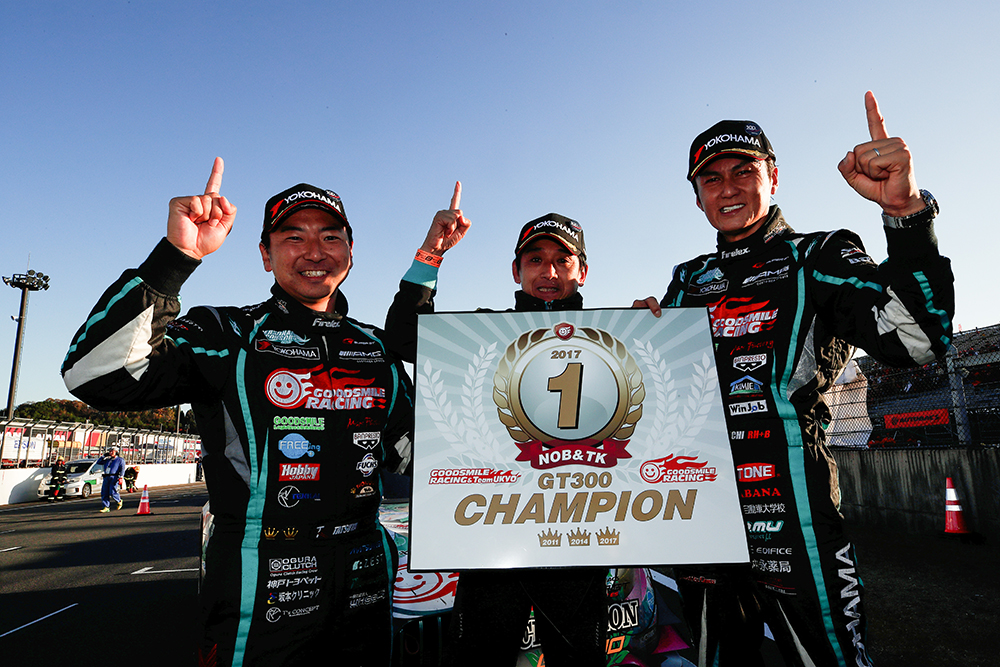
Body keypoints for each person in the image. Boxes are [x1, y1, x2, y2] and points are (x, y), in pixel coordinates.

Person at [634, 92, 954, 666]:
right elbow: (662, 399)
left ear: (773, 177)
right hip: (701, 512)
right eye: (711, 178)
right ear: (698, 196)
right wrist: (636, 341)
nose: (727, 188)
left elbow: (917, 340)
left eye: (743, 171)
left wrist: (905, 212)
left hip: (794, 513)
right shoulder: (687, 280)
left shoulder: (818, 255)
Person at [62, 158, 415, 666]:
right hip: (259, 576)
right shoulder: (226, 333)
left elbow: (412, 453)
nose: (315, 251)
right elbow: (94, 375)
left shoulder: (375, 348)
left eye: (330, 237)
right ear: (265, 255)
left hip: (365, 574)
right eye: (293, 237)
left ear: (350, 252)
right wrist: (177, 257)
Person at [384, 194, 608, 667]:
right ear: (516, 271)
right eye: (535, 260)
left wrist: (658, 324)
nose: (549, 272)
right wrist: (431, 253)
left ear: (582, 271)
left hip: (577, 539)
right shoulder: (484, 331)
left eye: (563, 260)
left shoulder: (618, 335)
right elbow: (403, 336)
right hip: (494, 538)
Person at [95, 447, 125, 512]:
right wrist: (103, 456)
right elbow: (99, 462)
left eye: (112, 451)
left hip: (114, 477)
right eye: (110, 451)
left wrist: (121, 477)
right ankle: (106, 506)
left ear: (116, 452)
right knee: (104, 492)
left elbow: (122, 469)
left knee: (112, 491)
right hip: (106, 477)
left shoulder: (120, 460)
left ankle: (119, 500)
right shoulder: (108, 460)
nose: (110, 452)